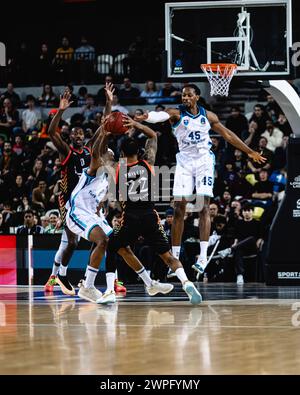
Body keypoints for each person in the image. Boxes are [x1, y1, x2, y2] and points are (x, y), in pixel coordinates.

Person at [134, 84, 266, 277]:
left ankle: (203, 257)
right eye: (183, 95)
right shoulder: (176, 114)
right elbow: (161, 115)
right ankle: (176, 258)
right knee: (179, 207)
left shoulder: (209, 116)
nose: (185, 98)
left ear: (196, 97)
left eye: (188, 95)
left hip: (204, 161)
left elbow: (228, 135)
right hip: (185, 162)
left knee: (204, 206)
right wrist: (148, 117)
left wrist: (249, 152)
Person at [98, 115, 202, 305]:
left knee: (112, 247)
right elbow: (153, 135)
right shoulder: (148, 163)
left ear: (121, 153)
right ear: (139, 151)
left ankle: (109, 291)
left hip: (129, 217)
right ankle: (186, 282)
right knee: (168, 257)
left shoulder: (117, 168)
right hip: (150, 216)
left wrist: (106, 133)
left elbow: (102, 153)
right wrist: (136, 124)